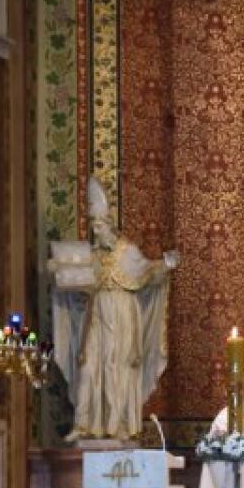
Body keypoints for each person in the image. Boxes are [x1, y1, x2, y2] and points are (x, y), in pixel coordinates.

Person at [49, 177, 178, 443]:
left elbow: (148, 273)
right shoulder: (93, 256)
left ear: (109, 225)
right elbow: (75, 282)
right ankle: (84, 423)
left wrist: (166, 264)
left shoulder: (127, 252)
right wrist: (57, 271)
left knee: (117, 367)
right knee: (88, 365)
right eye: (93, 227)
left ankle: (117, 424)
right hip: (96, 315)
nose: (96, 232)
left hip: (121, 314)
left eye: (99, 226)